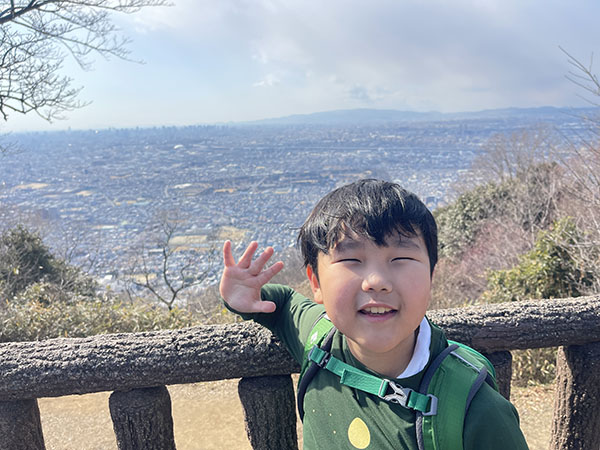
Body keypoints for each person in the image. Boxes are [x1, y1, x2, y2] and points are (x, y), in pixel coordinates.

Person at [220, 179, 528, 449]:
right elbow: (284, 304)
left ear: (431, 276)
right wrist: (245, 297)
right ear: (316, 282)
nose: (377, 281)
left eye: (401, 257)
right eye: (352, 259)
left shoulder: (476, 411)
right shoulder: (318, 339)